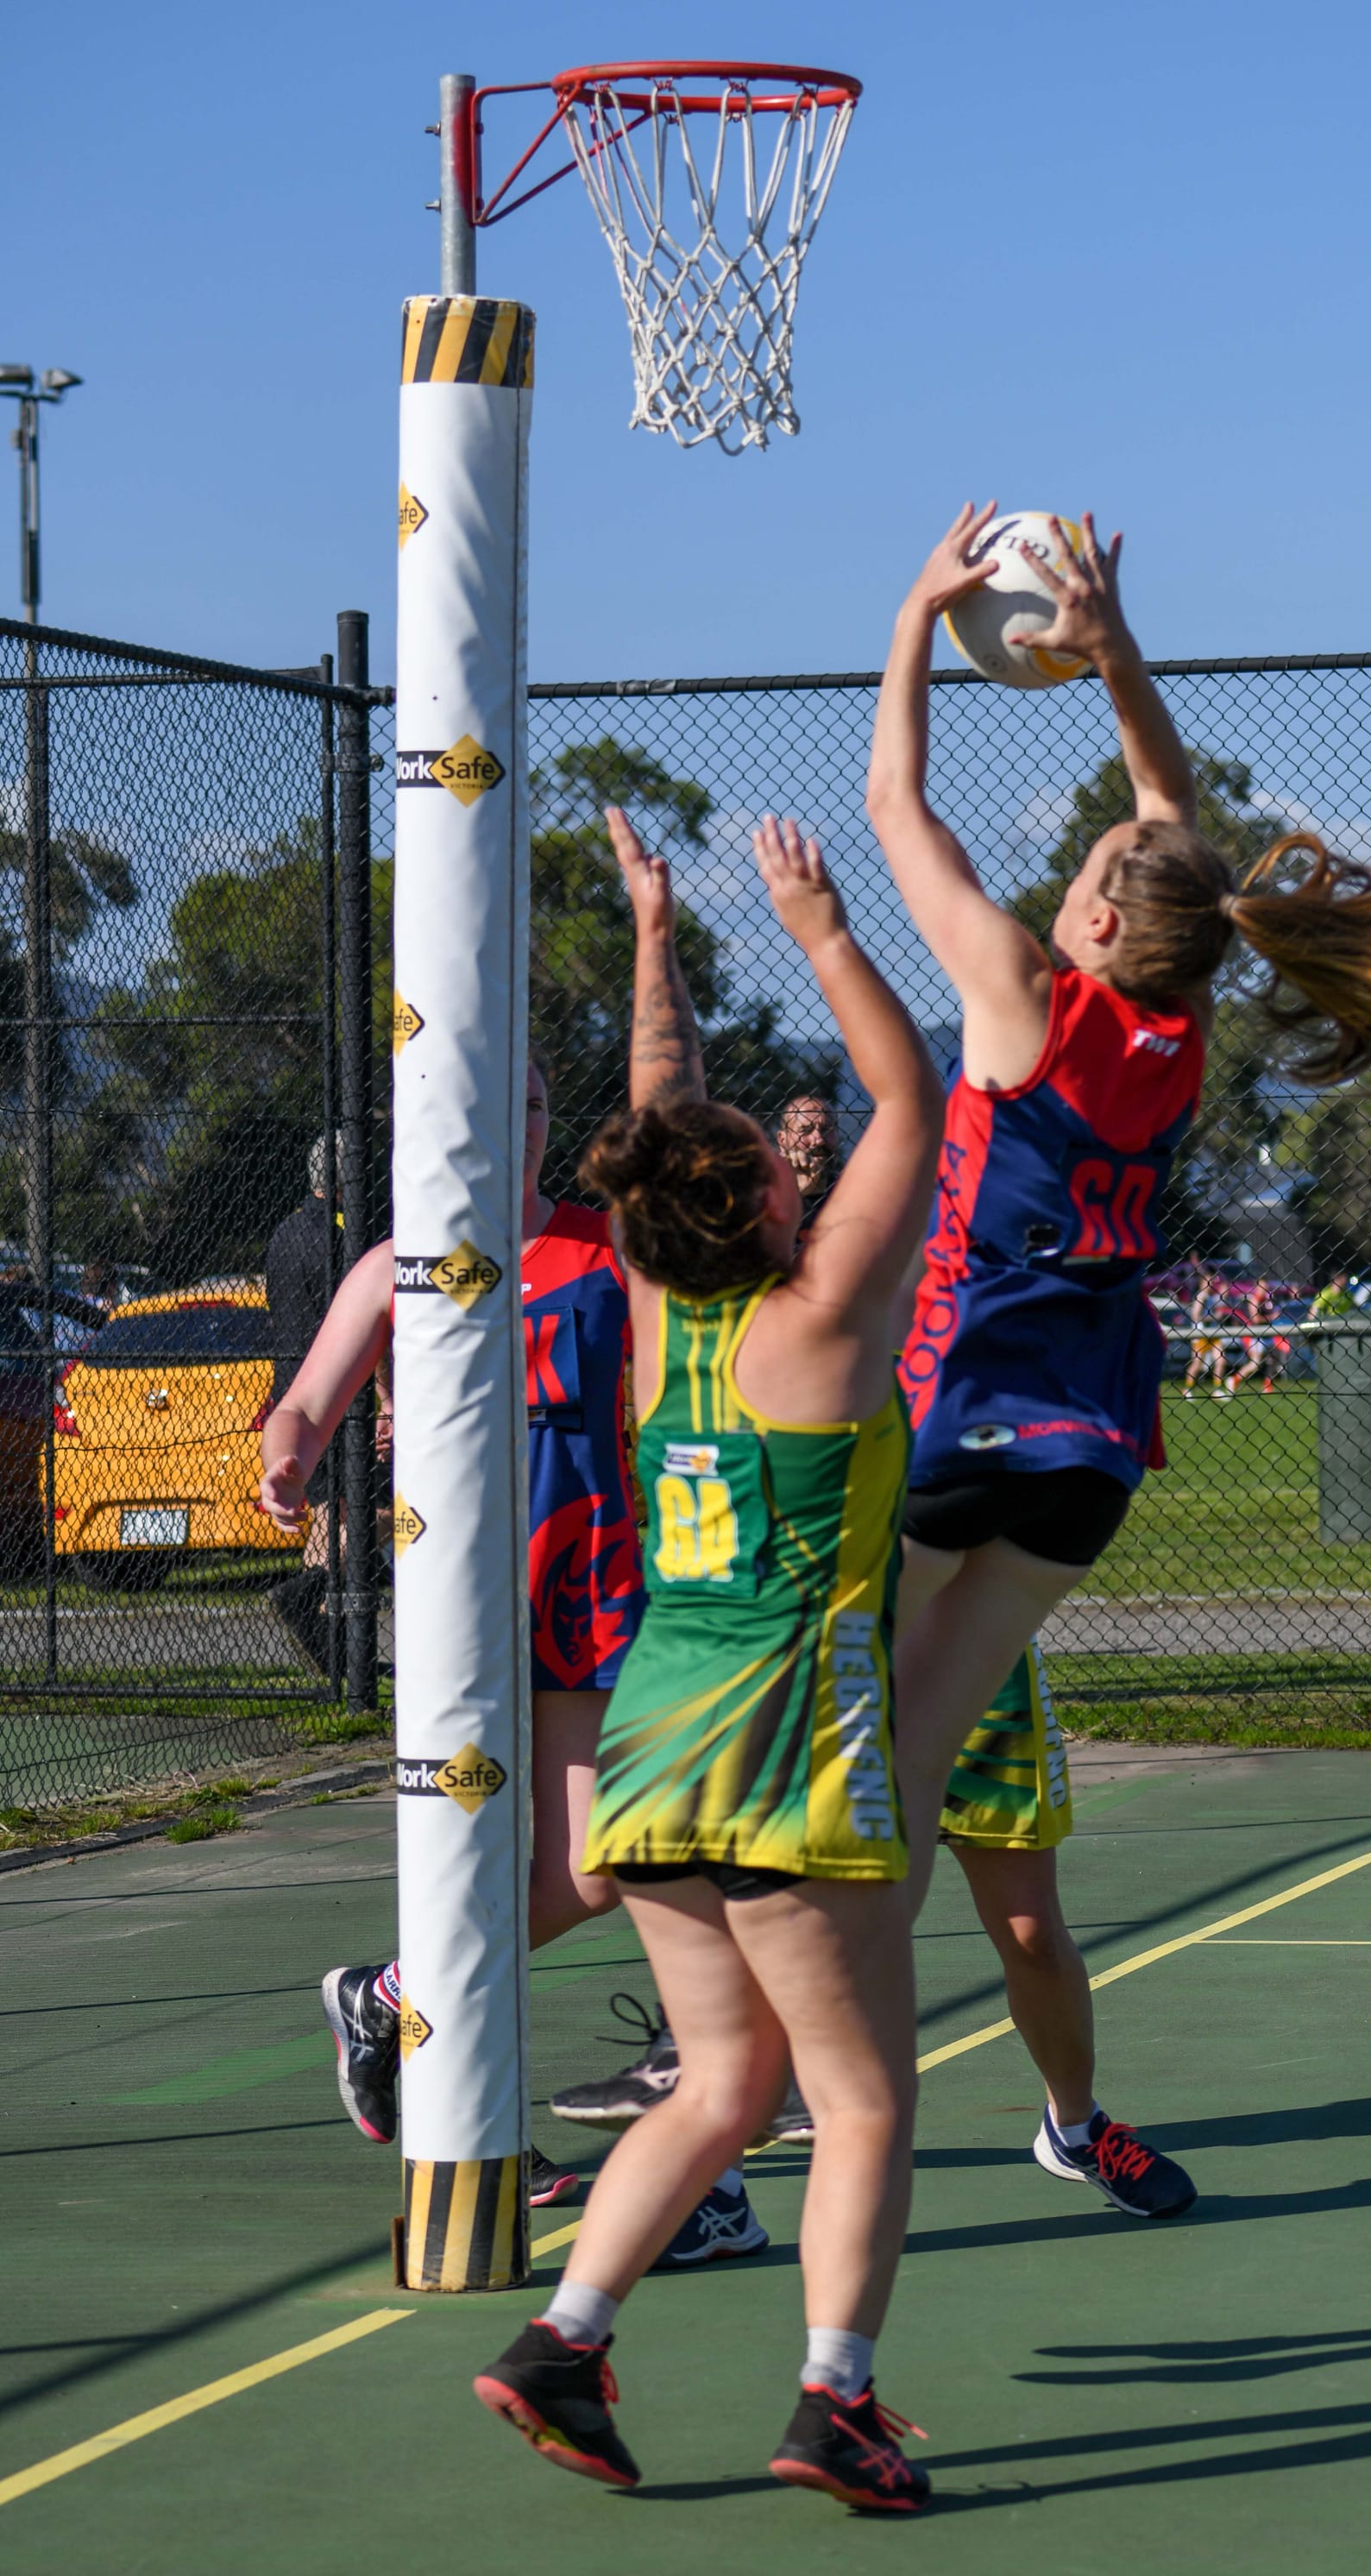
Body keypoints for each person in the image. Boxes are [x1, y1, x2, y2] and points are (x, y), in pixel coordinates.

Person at [871, 502, 1371, 2218]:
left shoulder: (1016, 998)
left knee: (821, 1756)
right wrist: (1113, 641)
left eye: (1076, 877)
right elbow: (1169, 830)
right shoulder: (1173, 1024)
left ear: (1083, 928)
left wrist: (919, 615)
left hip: (953, 1423)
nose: (1068, 873)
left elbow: (893, 813)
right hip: (1089, 1456)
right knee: (914, 1772)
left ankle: (756, 2081)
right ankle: (858, 2085)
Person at [474, 816, 943, 2512]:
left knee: (725, 2081)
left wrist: (657, 933)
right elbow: (922, 1098)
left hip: (656, 1743)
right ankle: (836, 2405)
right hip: (786, 1752)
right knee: (858, 2094)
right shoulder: (815, 1329)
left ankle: (565, 2343)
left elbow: (660, 1116)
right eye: (772, 1155)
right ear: (760, 1197)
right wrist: (816, 926)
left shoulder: (659, 1312)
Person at [259, 830, 754, 2233]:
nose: (517, 1117)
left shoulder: (602, 1248)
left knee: (593, 1863)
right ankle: (459, 2078)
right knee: (488, 1852)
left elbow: (679, 1141)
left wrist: (660, 943)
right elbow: (306, 1402)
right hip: (464, 1595)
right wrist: (289, 1464)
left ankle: (397, 2000)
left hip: (593, 1590)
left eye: (535, 1098)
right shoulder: (397, 1263)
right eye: (492, 1097)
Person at [261, 1132, 344, 1672]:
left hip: (290, 1384)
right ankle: (308, 1599)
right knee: (359, 1506)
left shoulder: (283, 1235)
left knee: (337, 1508)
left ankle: (315, 1609)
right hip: (337, 1391)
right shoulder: (342, 1240)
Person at [774, 1093, 842, 1225]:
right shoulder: (764, 1190)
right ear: (782, 1140)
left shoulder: (852, 1190)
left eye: (827, 1129)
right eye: (805, 1130)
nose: (819, 1140)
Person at [1228, 1277, 1288, 1395]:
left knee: (1274, 1355)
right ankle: (1234, 1379)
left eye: (1265, 1287)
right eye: (1261, 1287)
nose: (1263, 1289)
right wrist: (1271, 1317)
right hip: (1255, 1335)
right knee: (1254, 1364)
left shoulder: (1267, 1300)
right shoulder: (1254, 1300)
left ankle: (1268, 1384)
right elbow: (1255, 1319)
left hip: (1266, 1334)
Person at [1181, 1269, 1230, 1400]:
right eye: (1208, 1281)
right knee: (1197, 1363)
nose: (1211, 1283)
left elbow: (1220, 1300)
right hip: (1201, 1333)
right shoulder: (1201, 1296)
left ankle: (1217, 1389)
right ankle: (1187, 1389)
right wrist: (1214, 1317)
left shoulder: (1210, 1297)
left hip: (1213, 1334)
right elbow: (1195, 1316)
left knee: (1220, 1361)